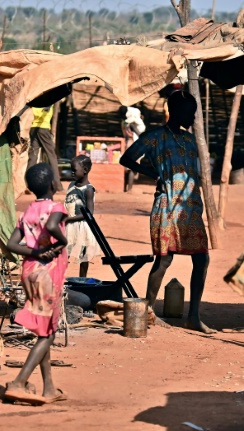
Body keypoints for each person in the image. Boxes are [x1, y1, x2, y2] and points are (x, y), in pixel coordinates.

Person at [119, 91, 214, 334]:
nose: (193, 118)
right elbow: (127, 158)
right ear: (177, 111)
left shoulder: (191, 140)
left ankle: (193, 316)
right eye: (190, 113)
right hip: (167, 206)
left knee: (202, 259)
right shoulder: (155, 137)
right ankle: (148, 312)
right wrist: (154, 174)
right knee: (165, 259)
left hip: (191, 208)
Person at [4, 163, 68, 405]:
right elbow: (52, 226)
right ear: (52, 184)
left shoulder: (28, 211)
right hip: (48, 275)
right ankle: (19, 381)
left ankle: (49, 387)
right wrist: (61, 241)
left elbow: (12, 244)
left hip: (29, 271)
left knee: (45, 329)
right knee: (48, 334)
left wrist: (36, 252)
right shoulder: (56, 208)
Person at [64, 155, 101, 278]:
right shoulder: (71, 186)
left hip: (83, 226)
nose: (72, 173)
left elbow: (89, 213)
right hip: (69, 226)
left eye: (74, 170)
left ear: (85, 170)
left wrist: (69, 219)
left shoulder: (88, 190)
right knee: (64, 253)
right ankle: (59, 277)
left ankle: (82, 279)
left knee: (84, 255)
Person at [28, 105, 63, 193]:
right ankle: (58, 186)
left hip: (33, 128)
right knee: (52, 156)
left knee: (33, 157)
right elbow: (46, 110)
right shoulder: (49, 101)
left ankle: (29, 185)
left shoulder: (36, 101)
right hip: (43, 129)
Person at [120, 106, 144, 193]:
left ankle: (125, 188)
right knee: (132, 168)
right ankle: (129, 189)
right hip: (134, 144)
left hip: (129, 143)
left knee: (128, 167)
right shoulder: (134, 124)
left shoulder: (125, 123)